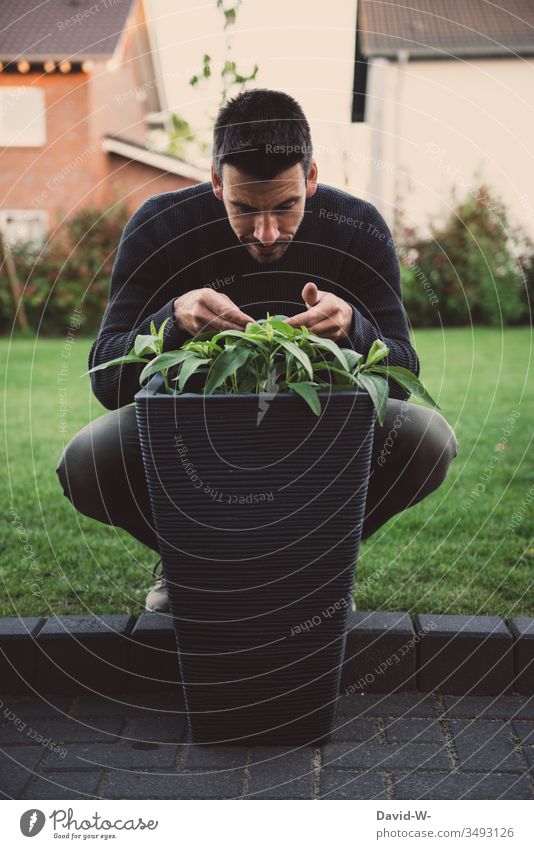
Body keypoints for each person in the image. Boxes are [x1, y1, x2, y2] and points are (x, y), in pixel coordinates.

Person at [56, 88, 458, 613]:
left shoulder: (358, 228)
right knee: (84, 462)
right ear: (216, 181)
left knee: (428, 440)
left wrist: (356, 330)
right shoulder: (160, 226)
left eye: (286, 206)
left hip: (319, 433)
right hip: (191, 439)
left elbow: (404, 370)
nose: (266, 233)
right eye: (243, 208)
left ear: (311, 178)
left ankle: (319, 562)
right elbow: (105, 379)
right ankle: (190, 564)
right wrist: (172, 320)